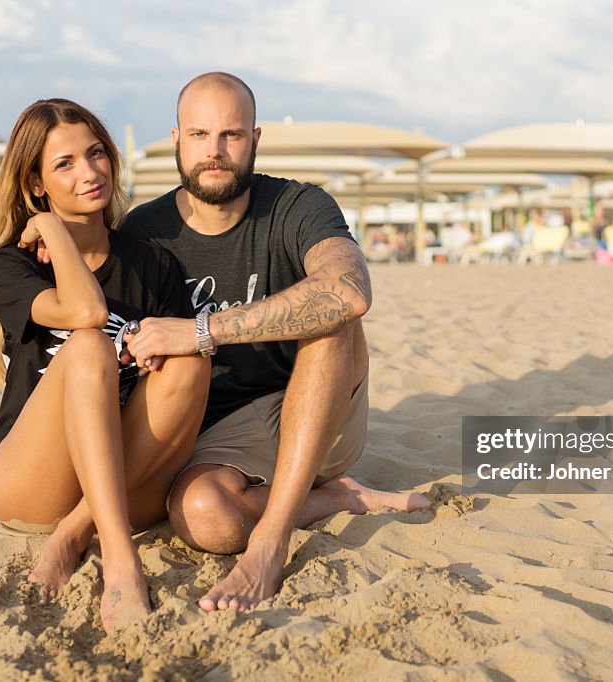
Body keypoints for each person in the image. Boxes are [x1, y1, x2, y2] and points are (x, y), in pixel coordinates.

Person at [119, 72, 429, 613]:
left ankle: (272, 537)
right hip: (217, 430)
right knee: (205, 519)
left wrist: (201, 332)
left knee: (326, 320)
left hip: (316, 402)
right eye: (199, 135)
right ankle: (335, 498)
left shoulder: (298, 206)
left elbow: (348, 293)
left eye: (231, 135)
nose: (214, 152)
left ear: (255, 140)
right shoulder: (145, 232)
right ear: (175, 139)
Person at [0, 99, 210, 632]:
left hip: (127, 480)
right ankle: (121, 562)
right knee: (87, 346)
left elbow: (180, 377)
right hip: (32, 482)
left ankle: (75, 533)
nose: (90, 172)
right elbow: (88, 312)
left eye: (96, 153)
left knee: (190, 361)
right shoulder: (8, 264)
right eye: (65, 164)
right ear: (36, 186)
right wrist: (50, 230)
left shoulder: (152, 264)